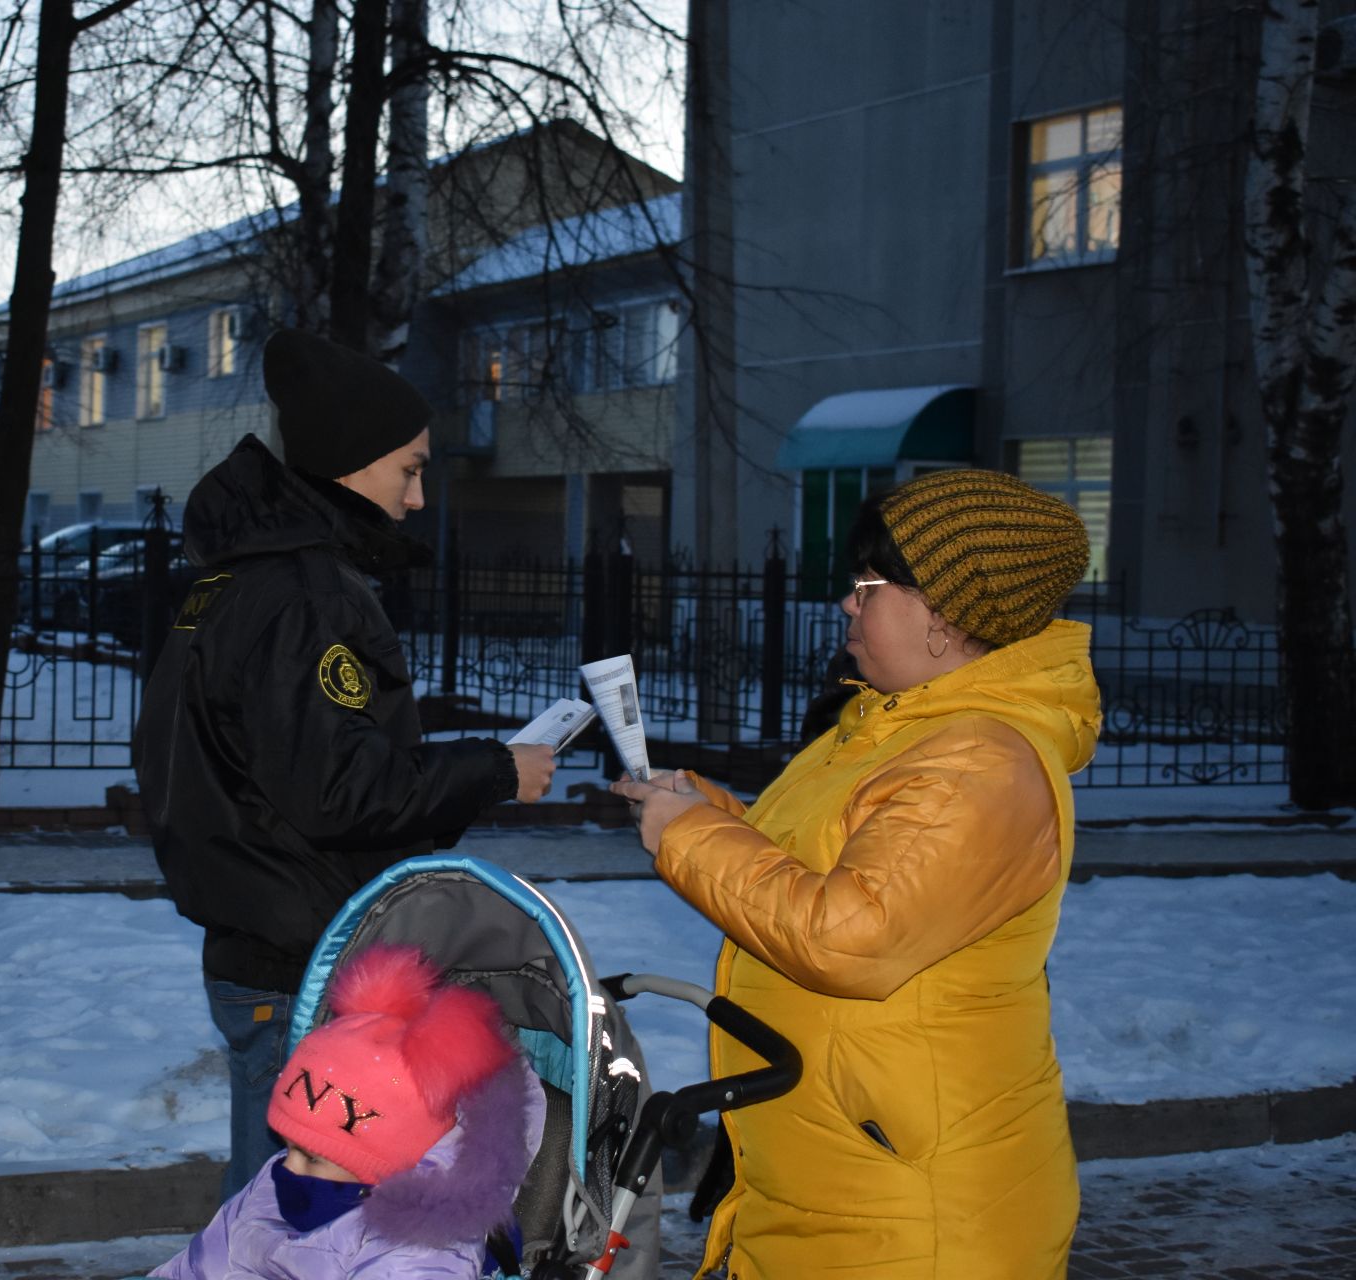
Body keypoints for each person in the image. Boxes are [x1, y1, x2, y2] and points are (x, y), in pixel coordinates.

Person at [612, 469, 1099, 1279]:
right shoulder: (893, 727)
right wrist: (708, 812)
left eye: (870, 585)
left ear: (943, 616)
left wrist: (691, 839)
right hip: (836, 1169)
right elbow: (815, 866)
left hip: (911, 1207)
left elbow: (849, 935)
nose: (848, 603)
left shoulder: (977, 761)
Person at [133, 328, 557, 1198]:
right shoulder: (302, 593)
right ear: (352, 463)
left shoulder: (245, 578)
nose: (416, 496)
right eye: (407, 469)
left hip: (265, 942)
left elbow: (285, 757)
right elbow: (338, 790)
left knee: (282, 1197)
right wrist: (495, 770)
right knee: (294, 1211)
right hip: (298, 959)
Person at [151, 944, 544, 1280]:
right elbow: (204, 1263)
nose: (288, 1168)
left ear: (388, 1166)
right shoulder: (276, 1186)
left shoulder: (421, 1247)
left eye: (313, 1157)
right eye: (289, 1146)